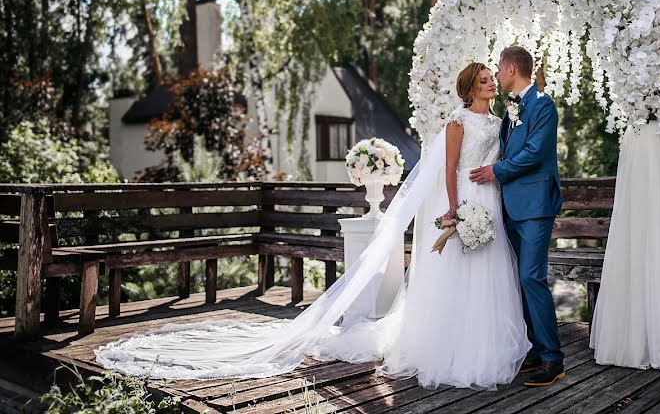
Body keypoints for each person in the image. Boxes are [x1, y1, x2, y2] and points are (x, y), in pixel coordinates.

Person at [95, 62, 530, 391]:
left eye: (493, 79)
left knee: (489, 271)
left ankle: (487, 346)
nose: (491, 83)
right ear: (470, 88)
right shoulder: (457, 122)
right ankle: (451, 348)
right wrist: (454, 211)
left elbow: (499, 159)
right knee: (461, 272)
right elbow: (451, 167)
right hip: (466, 199)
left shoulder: (496, 122)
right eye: (484, 81)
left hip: (489, 198)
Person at [470, 46, 565, 387]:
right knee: (518, 280)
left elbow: (535, 153)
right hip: (510, 206)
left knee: (531, 278)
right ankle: (537, 351)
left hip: (536, 205)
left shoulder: (542, 104)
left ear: (511, 68)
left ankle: (553, 359)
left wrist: (495, 171)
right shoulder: (512, 107)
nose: (496, 72)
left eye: (498, 67)